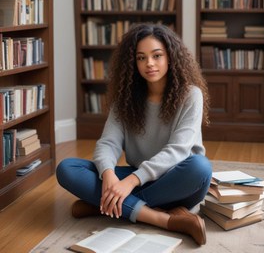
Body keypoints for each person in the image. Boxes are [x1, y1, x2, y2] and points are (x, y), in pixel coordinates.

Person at [56, 23, 212, 245]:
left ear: (170, 57)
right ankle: (162, 219)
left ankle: (104, 205)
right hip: (139, 178)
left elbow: (178, 151)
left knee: (201, 167)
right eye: (141, 58)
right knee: (67, 168)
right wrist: (108, 174)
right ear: (133, 62)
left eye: (156, 55)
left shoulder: (191, 95)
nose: (149, 63)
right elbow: (108, 143)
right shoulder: (125, 100)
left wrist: (128, 183)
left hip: (177, 181)